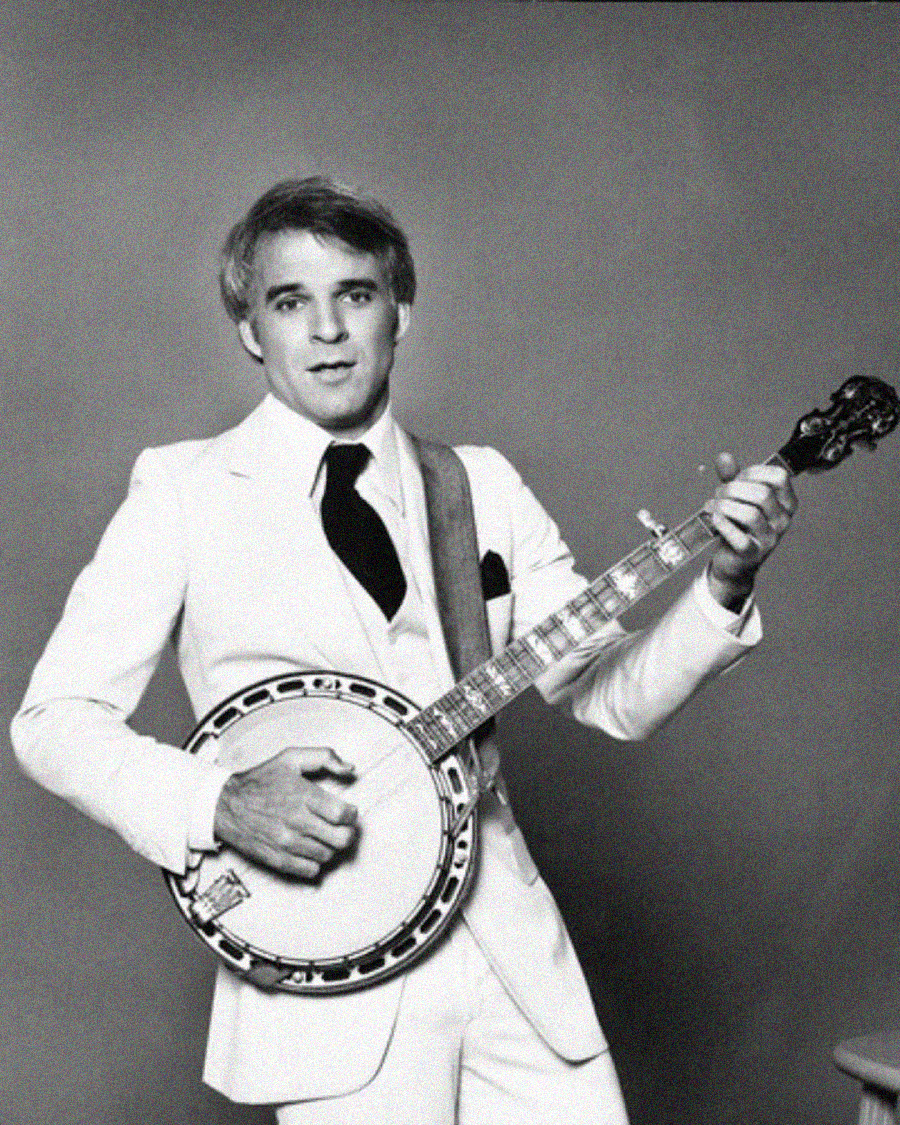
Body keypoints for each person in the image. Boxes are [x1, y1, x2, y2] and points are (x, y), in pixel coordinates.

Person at [11, 177, 796, 1124]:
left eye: (357, 294)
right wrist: (216, 800)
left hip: (515, 962)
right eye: (290, 302)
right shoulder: (184, 490)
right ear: (251, 330)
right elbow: (53, 723)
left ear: (402, 312)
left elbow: (611, 695)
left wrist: (725, 582)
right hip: (329, 973)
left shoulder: (481, 486)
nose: (328, 330)